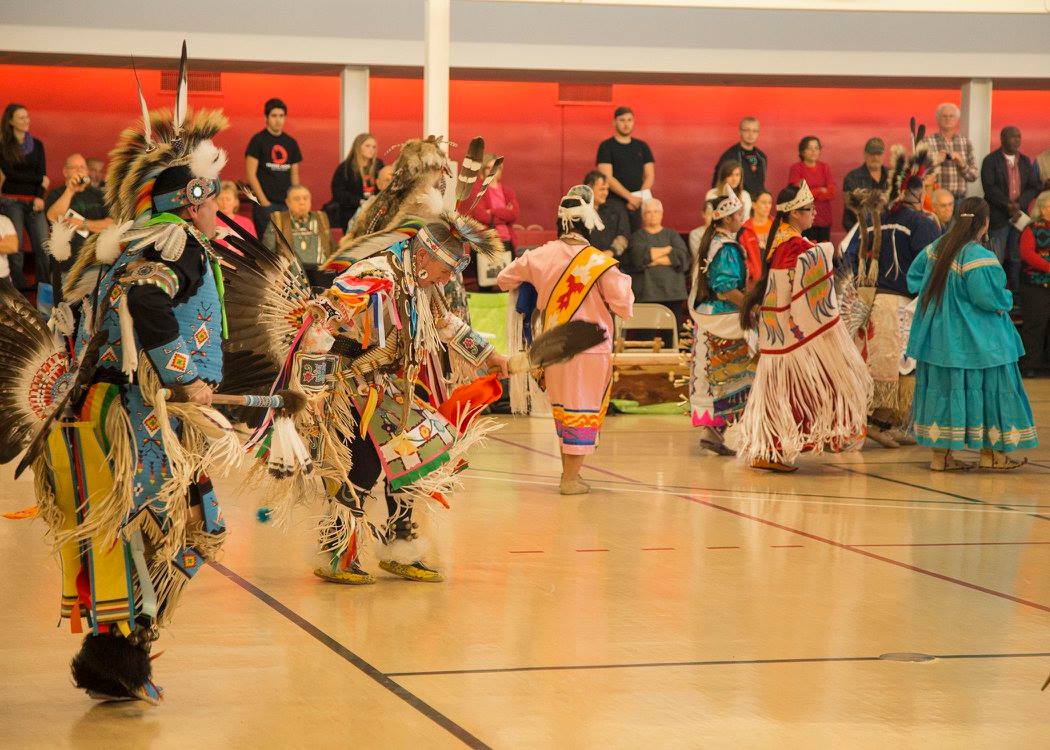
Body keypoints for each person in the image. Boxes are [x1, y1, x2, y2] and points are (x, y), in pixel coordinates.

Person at [0, 58, 241, 703]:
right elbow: (148, 300)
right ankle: (125, 653)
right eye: (213, 193)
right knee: (185, 529)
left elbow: (83, 314)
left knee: (127, 535)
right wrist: (180, 380)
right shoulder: (174, 246)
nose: (221, 204)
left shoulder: (127, 242)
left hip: (99, 410)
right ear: (189, 197)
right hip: (139, 414)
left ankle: (115, 659)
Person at [726, 181, 871, 472]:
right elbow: (800, 288)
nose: (814, 213)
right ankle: (777, 447)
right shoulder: (793, 245)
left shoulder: (783, 241)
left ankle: (773, 446)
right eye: (808, 209)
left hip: (782, 331)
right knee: (799, 388)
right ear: (794, 214)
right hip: (792, 332)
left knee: (788, 389)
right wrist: (822, 253)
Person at [497, 185, 634, 494]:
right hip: (589, 348)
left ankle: (570, 474)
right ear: (588, 223)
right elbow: (623, 304)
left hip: (553, 347)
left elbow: (505, 277)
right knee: (580, 409)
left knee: (566, 409)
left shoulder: (539, 255)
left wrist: (533, 288)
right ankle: (569, 480)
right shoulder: (598, 263)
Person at [906, 197, 1037, 470]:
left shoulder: (935, 249)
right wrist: (1006, 299)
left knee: (944, 391)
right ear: (985, 223)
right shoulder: (980, 257)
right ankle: (994, 456)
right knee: (992, 390)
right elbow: (987, 298)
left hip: (940, 339)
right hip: (980, 341)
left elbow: (913, 278)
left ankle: (940, 458)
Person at [842, 146, 941, 448]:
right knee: (899, 365)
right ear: (918, 191)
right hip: (899, 303)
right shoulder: (922, 222)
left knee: (876, 363)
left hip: (867, 301)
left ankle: (885, 423)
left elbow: (848, 256)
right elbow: (930, 264)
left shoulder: (876, 217)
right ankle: (878, 422)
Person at [688, 188, 756, 456]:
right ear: (727, 218)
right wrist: (750, 307)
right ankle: (727, 433)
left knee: (720, 373)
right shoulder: (726, 247)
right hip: (724, 319)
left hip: (713, 317)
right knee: (737, 374)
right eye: (739, 213)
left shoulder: (715, 242)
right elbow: (726, 288)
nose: (742, 217)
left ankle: (714, 432)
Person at [981, 126, 1042, 293]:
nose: (1017, 140)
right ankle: (995, 292)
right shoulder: (990, 160)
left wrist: (1019, 204)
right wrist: (1008, 205)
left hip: (1020, 215)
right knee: (996, 257)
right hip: (999, 216)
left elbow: (1032, 186)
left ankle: (1014, 294)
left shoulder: (1025, 161)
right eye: (1013, 137)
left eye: (1019, 136)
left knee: (1016, 256)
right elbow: (989, 188)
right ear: (1002, 138)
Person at [0, 102, 49, 291]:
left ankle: (44, 287)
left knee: (43, 247)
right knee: (16, 249)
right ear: (11, 121)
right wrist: (39, 179)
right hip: (12, 201)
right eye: (21, 117)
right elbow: (10, 175)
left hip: (34, 201)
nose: (26, 121)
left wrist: (39, 195)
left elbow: (42, 172)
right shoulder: (3, 146)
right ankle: (18, 289)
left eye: (27, 117)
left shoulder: (37, 145)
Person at [625, 197, 690, 332]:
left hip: (673, 295)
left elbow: (682, 258)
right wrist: (668, 250)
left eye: (656, 211)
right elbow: (638, 258)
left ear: (662, 214)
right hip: (646, 295)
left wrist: (651, 259)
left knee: (673, 337)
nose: (653, 215)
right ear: (643, 216)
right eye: (649, 212)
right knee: (646, 337)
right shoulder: (637, 237)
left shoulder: (672, 235)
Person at [43, 153, 113, 276]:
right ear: (65, 172)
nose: (79, 170)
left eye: (82, 167)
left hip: (96, 264)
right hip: (66, 266)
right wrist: (70, 190)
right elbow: (53, 218)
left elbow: (112, 224)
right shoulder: (56, 194)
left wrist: (84, 224)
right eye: (75, 167)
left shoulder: (99, 195)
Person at [245, 98, 302, 235]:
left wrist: (295, 200)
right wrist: (264, 203)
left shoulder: (291, 143)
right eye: (274, 116)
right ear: (266, 117)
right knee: (266, 247)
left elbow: (295, 176)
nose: (278, 120)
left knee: (287, 246)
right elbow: (251, 174)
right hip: (265, 205)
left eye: (281, 116)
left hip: (286, 204)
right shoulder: (257, 140)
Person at [596, 106, 654, 232]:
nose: (626, 124)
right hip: (613, 202)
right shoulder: (606, 146)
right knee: (618, 238)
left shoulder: (642, 146)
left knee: (637, 238)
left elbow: (649, 176)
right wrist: (629, 197)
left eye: (629, 120)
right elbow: (607, 177)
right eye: (622, 120)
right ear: (614, 122)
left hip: (638, 203)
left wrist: (638, 199)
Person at [263, 184, 332, 286]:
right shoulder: (278, 220)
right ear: (288, 202)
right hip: (290, 277)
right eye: (297, 199)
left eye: (305, 198)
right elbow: (267, 252)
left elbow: (332, 248)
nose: (302, 202)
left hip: (322, 274)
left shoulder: (321, 218)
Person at [1018, 191, 1050, 376]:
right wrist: (1047, 267)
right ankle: (1030, 365)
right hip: (1034, 286)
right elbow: (1027, 253)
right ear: (1043, 208)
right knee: (1034, 325)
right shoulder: (1032, 228)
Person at [924, 103, 978, 208]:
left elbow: (973, 176)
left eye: (951, 116)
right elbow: (919, 174)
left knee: (961, 225)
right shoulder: (927, 142)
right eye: (944, 116)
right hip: (936, 200)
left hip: (960, 200)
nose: (947, 119)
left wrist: (962, 164)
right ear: (938, 119)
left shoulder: (965, 143)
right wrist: (935, 161)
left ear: (957, 120)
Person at [330, 132, 383, 231]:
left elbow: (385, 186)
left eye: (374, 147)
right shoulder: (345, 168)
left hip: (374, 213)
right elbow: (338, 192)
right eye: (367, 146)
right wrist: (358, 202)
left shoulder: (379, 165)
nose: (371, 149)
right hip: (351, 213)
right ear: (358, 147)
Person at [788, 136, 835, 242]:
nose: (813, 151)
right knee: (806, 252)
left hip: (824, 218)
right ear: (802, 151)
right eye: (810, 148)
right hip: (804, 218)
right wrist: (820, 190)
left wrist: (810, 191)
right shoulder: (796, 169)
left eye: (816, 148)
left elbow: (832, 193)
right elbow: (798, 194)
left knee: (823, 253)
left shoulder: (825, 167)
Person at [470, 154, 518, 252]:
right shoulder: (477, 189)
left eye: (496, 168)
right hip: (486, 242)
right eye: (489, 168)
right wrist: (505, 214)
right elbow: (481, 216)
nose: (493, 171)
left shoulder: (508, 192)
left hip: (507, 241)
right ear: (483, 169)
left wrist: (492, 211)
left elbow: (513, 215)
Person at [711, 117, 767, 199]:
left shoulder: (762, 157)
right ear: (740, 132)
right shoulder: (729, 156)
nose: (751, 134)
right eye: (747, 130)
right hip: (736, 203)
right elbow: (718, 184)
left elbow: (761, 184)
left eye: (754, 131)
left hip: (756, 206)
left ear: (758, 133)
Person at [841, 138, 888, 231]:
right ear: (865, 154)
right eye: (872, 154)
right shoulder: (852, 178)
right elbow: (850, 208)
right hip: (861, 231)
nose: (875, 158)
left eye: (878, 154)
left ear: (883, 155)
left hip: (888, 229)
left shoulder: (893, 176)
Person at [583, 169, 630, 257]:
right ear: (588, 188)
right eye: (602, 189)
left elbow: (624, 236)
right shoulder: (576, 212)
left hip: (613, 262)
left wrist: (611, 252)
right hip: (585, 262)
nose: (606, 193)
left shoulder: (615, 209)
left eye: (607, 189)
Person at [738, 190, 772, 285]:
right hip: (754, 282)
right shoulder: (744, 230)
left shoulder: (777, 226)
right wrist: (753, 273)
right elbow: (742, 257)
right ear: (753, 204)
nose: (767, 206)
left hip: (774, 278)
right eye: (763, 202)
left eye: (769, 203)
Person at [704, 160, 752, 225]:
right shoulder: (712, 194)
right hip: (718, 232)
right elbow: (709, 220)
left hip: (740, 232)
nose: (734, 179)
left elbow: (746, 221)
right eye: (730, 175)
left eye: (737, 175)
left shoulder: (745, 195)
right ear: (724, 177)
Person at [214, 179, 256, 251]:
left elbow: (254, 249)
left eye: (228, 199)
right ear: (215, 201)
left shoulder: (247, 223)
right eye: (221, 199)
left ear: (236, 202)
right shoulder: (210, 222)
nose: (224, 202)